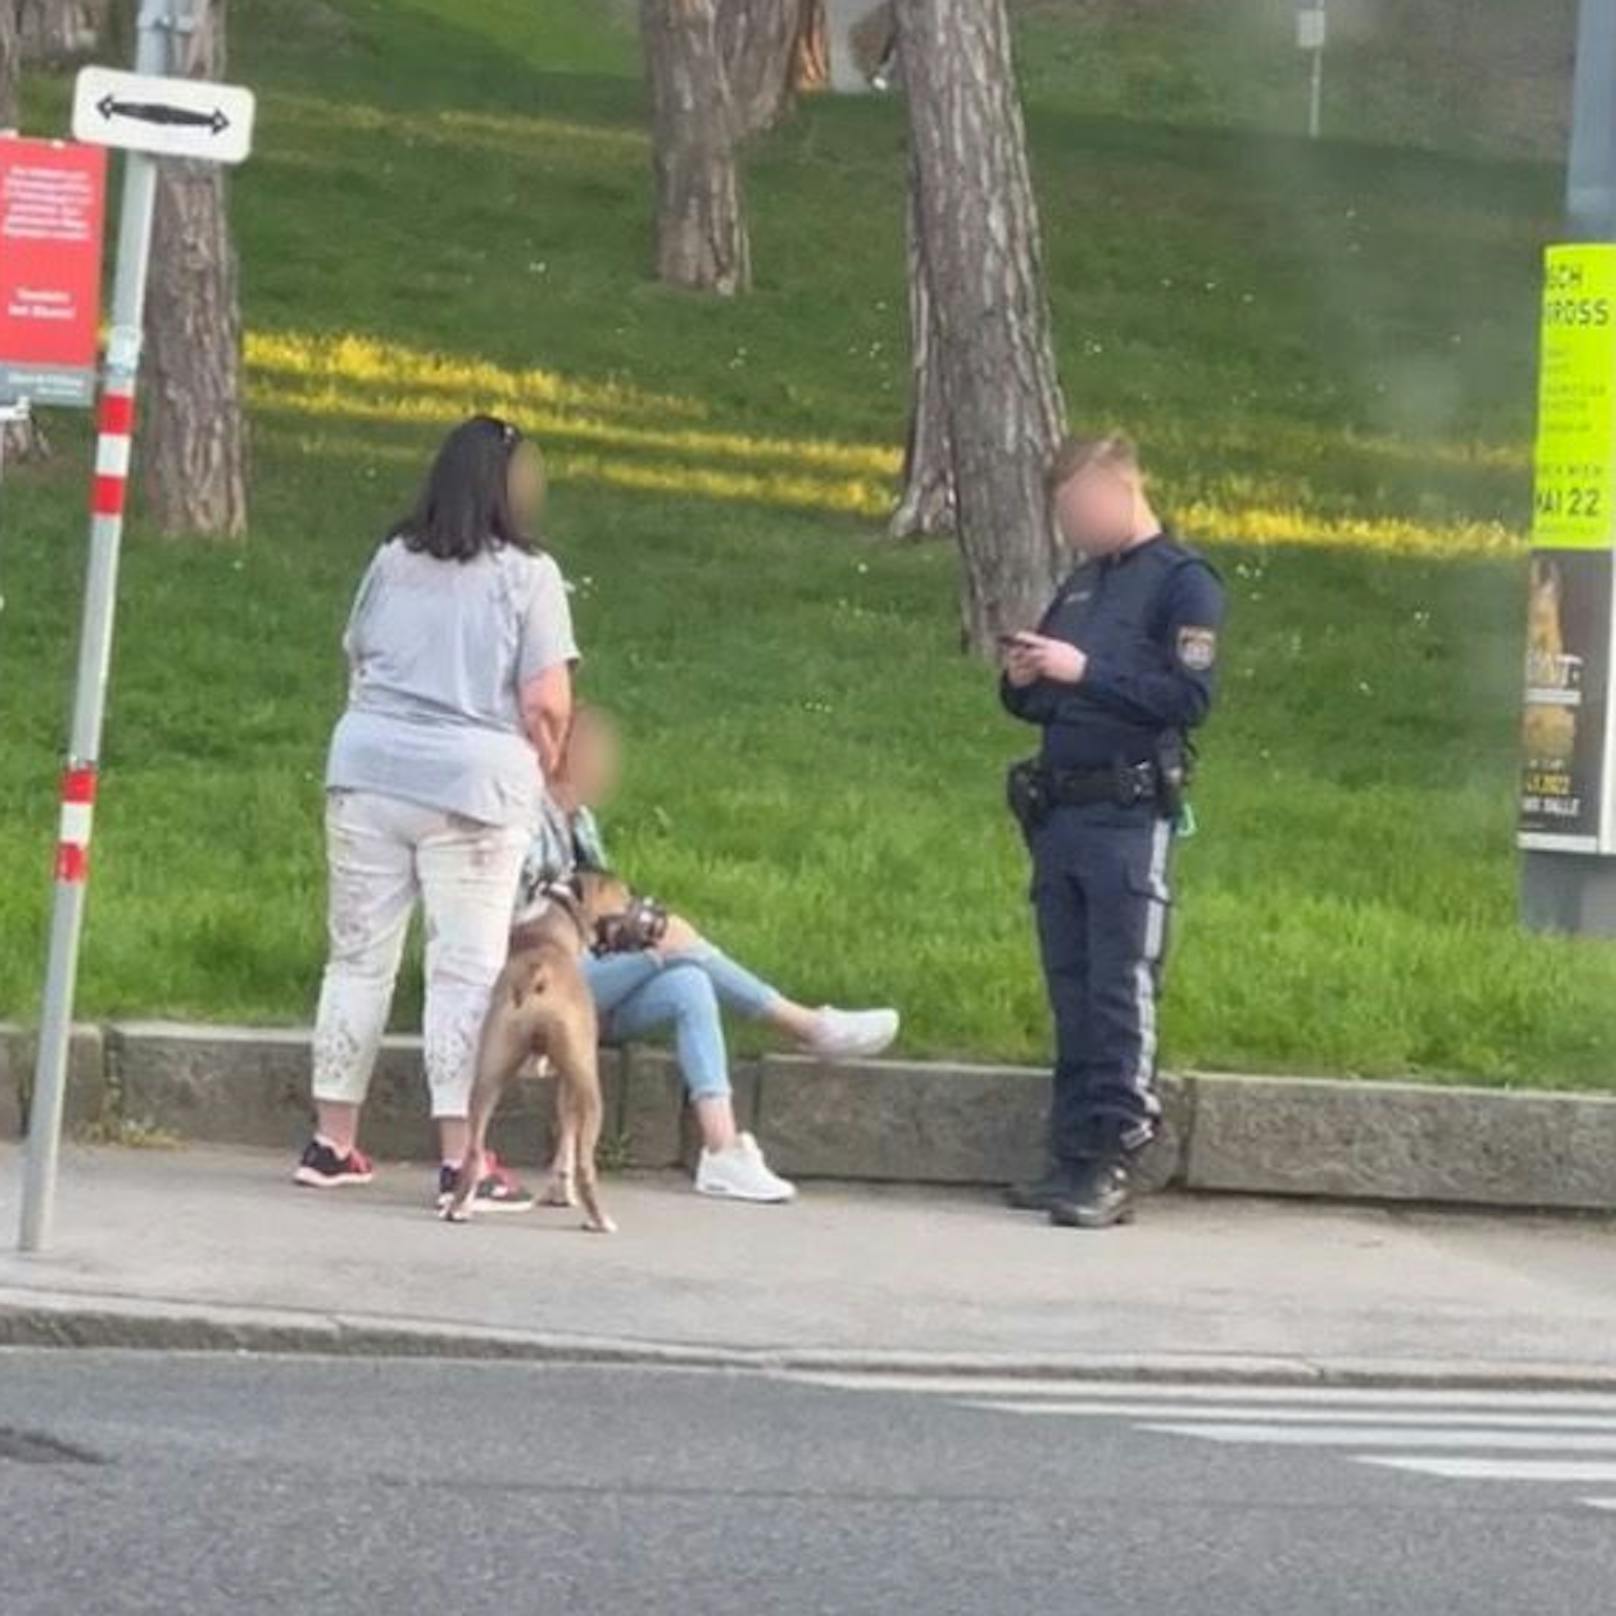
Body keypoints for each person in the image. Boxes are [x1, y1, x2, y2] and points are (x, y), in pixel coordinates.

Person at [294, 416, 577, 1214]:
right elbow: (546, 698)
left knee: (355, 960)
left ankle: (332, 1141)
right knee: (464, 972)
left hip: (368, 772)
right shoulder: (529, 575)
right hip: (474, 789)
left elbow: (356, 651)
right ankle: (462, 1160)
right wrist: (548, 769)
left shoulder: (392, 558)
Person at [523, 707, 901, 1203]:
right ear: (564, 757)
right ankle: (808, 1026)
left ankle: (722, 1149)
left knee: (688, 985)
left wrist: (637, 929)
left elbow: (607, 907)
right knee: (673, 947)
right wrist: (649, 936)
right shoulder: (525, 819)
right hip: (541, 982)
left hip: (593, 978)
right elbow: (523, 921)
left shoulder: (582, 823)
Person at [999, 434, 1224, 1230]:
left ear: (1116, 489)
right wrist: (1025, 682)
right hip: (1062, 810)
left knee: (1120, 985)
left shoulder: (1183, 584)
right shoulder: (1085, 584)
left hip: (1129, 814)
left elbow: (1187, 699)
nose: (1072, 527)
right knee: (1070, 985)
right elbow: (1046, 697)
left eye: (1077, 509)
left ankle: (1113, 1154)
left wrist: (1082, 671)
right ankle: (1069, 1153)